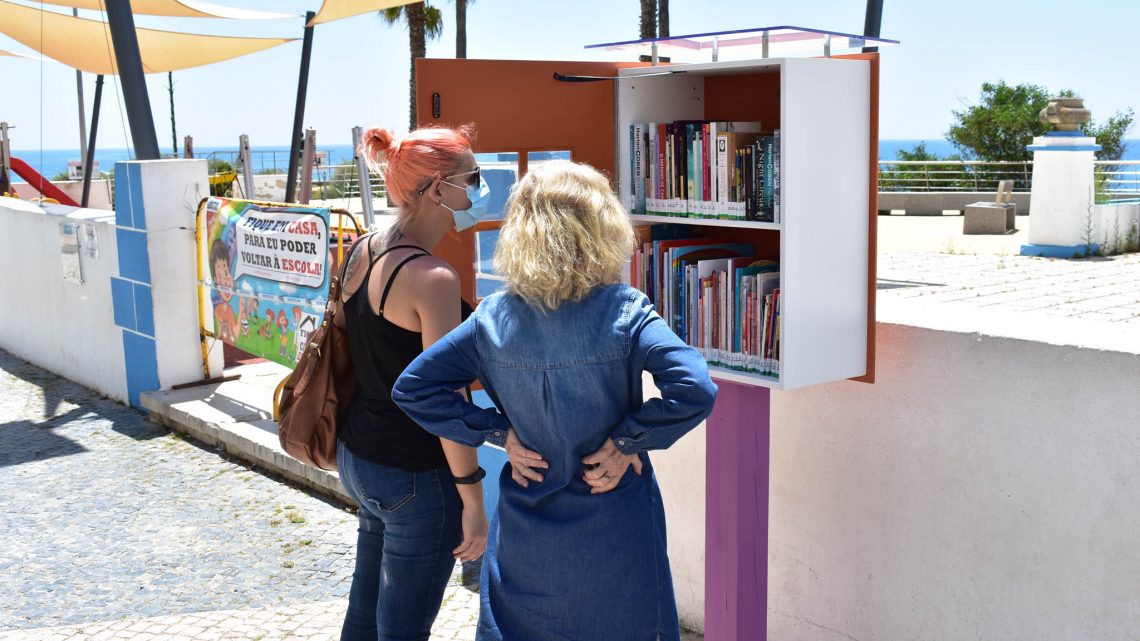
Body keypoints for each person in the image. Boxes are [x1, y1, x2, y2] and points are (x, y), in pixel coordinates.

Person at [391, 160, 718, 641]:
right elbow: (695, 388)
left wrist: (498, 434)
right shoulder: (625, 310)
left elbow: (414, 388)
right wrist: (626, 442)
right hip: (616, 527)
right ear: (601, 226)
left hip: (528, 533)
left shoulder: (494, 318)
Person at [335, 123, 493, 641]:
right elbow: (442, 399)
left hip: (361, 458)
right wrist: (472, 498)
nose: (477, 188)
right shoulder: (433, 279)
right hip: (416, 474)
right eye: (471, 176)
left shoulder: (364, 248)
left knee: (364, 616)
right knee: (402, 629)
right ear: (437, 189)